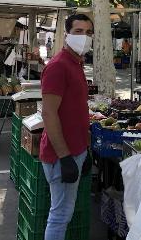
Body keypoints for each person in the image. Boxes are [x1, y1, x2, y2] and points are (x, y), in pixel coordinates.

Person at [39, 14, 93, 240]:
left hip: (76, 150)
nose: (84, 37)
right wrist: (65, 157)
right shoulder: (58, 66)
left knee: (65, 212)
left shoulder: (76, 64)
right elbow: (49, 113)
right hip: (61, 154)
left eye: (88, 33)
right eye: (79, 32)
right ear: (67, 34)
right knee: (60, 215)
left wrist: (85, 149)